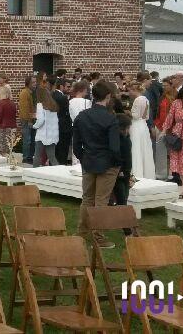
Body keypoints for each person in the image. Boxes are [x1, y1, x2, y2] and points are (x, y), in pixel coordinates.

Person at [74, 80, 122, 248]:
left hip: (89, 160)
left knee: (87, 198)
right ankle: (98, 236)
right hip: (106, 163)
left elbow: (76, 143)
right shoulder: (110, 119)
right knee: (101, 200)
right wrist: (117, 164)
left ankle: (82, 233)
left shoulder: (82, 116)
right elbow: (115, 147)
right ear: (108, 96)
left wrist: (83, 157)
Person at [128, 82, 155, 180]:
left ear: (134, 90)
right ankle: (146, 172)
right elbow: (146, 116)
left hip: (136, 126)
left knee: (136, 148)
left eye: (130, 90)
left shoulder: (137, 100)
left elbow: (135, 115)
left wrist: (127, 112)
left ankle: (136, 172)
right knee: (144, 148)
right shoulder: (146, 99)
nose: (129, 92)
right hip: (143, 126)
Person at [154, 77, 175, 181]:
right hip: (160, 126)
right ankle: (161, 174)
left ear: (171, 85)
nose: (164, 87)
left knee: (173, 153)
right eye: (163, 85)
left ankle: (174, 174)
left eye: (166, 85)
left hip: (171, 128)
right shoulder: (162, 97)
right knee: (160, 151)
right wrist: (157, 123)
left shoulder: (175, 97)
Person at [32, 85, 60, 167]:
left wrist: (34, 126)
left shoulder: (40, 105)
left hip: (42, 134)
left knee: (37, 155)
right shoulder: (53, 105)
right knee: (52, 156)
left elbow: (41, 120)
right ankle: (60, 172)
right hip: (52, 133)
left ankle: (34, 173)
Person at [113, 113, 134, 207]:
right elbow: (119, 155)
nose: (127, 130)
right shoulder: (119, 139)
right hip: (120, 172)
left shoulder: (126, 138)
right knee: (121, 195)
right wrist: (121, 171)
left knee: (124, 195)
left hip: (125, 171)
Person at [0, 84, 17, 157]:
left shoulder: (0, 104)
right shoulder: (13, 103)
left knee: (3, 150)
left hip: (3, 128)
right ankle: (11, 161)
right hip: (12, 127)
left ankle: (7, 164)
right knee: (9, 148)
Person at [17, 75, 37, 164]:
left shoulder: (31, 92)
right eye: (33, 82)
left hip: (32, 119)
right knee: (27, 140)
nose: (35, 84)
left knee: (32, 139)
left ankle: (30, 157)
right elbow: (24, 109)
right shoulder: (24, 93)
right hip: (27, 120)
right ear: (28, 83)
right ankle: (26, 157)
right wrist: (29, 120)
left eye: (35, 82)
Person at [53, 79, 72, 165]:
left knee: (56, 150)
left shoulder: (52, 94)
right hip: (64, 127)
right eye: (67, 86)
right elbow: (67, 112)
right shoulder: (63, 98)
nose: (69, 88)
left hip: (54, 125)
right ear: (61, 86)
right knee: (63, 150)